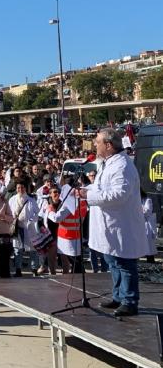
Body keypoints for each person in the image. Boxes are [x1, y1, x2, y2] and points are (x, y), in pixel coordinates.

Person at [76, 128, 147, 317]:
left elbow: (118, 195)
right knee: (113, 261)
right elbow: (101, 187)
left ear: (108, 145)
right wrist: (86, 189)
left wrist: (88, 195)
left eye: (98, 142)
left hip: (121, 224)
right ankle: (118, 296)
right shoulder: (107, 163)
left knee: (124, 262)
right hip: (108, 224)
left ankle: (130, 301)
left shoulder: (122, 166)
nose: (95, 145)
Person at [8, 182, 41, 277]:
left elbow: (37, 213)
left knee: (33, 249)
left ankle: (34, 269)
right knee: (17, 250)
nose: (20, 189)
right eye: (18, 188)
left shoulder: (31, 200)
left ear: (25, 188)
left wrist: (31, 220)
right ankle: (18, 269)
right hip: (17, 227)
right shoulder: (12, 200)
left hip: (29, 228)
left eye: (22, 187)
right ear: (16, 189)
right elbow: (9, 212)